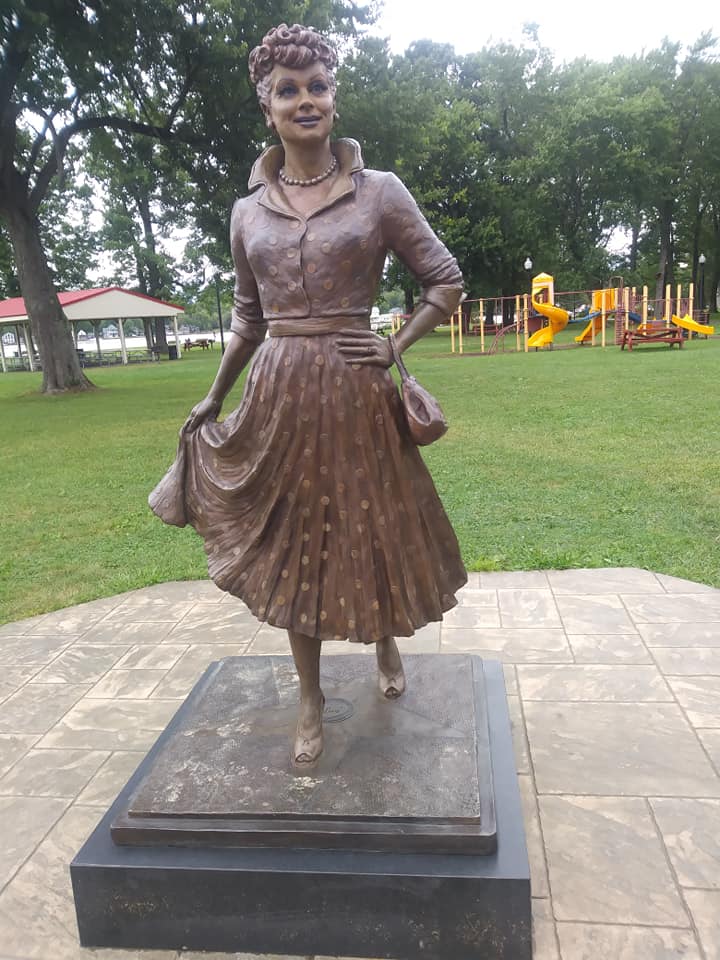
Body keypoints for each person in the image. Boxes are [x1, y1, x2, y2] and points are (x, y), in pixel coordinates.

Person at [149, 23, 467, 768]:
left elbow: (444, 280)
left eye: (317, 86)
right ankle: (310, 697)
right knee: (297, 542)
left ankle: (385, 641)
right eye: (287, 90)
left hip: (357, 392)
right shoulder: (246, 212)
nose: (305, 101)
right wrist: (213, 396)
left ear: (334, 98)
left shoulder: (380, 192)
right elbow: (247, 318)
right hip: (281, 397)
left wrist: (394, 345)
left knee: (371, 524)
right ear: (267, 107)